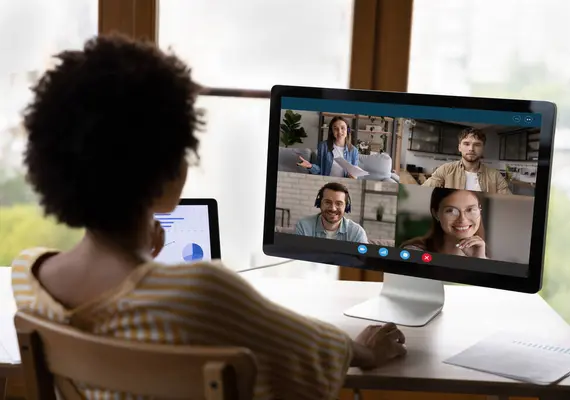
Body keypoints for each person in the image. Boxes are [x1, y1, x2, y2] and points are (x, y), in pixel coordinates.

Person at [10, 34, 406, 400]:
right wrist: (364, 351)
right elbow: (314, 355)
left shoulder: (28, 277)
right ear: (170, 172)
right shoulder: (199, 292)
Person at [401, 188, 487, 258]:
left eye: (470, 210)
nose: (462, 219)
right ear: (436, 214)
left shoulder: (483, 257)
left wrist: (478, 261)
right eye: (451, 211)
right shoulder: (414, 252)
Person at [422, 128, 511, 194]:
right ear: (459, 147)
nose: (471, 149)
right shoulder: (445, 170)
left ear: (483, 148)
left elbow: (508, 204)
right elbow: (424, 192)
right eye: (466, 144)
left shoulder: (495, 176)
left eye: (477, 145)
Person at [295, 182, 369, 243]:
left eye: (339, 203)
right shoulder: (303, 226)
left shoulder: (357, 232)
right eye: (327, 202)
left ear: (346, 207)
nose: (333, 209)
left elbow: (361, 260)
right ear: (319, 203)